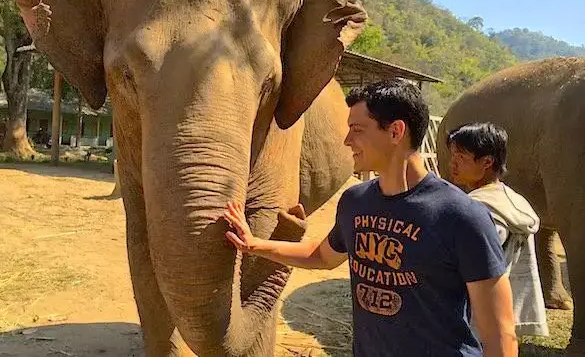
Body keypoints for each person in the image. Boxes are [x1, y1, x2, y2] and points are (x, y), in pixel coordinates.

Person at [223, 78, 517, 357]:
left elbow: (499, 332)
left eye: (358, 129)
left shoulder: (461, 215)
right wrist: (255, 244)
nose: (347, 140)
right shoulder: (355, 201)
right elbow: (323, 255)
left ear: (395, 132)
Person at [447, 122, 549, 338]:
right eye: (453, 156)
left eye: (461, 158)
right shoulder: (512, 201)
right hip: (504, 312)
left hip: (476, 316)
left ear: (487, 162)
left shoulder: (481, 210)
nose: (453, 164)